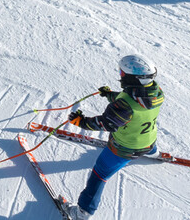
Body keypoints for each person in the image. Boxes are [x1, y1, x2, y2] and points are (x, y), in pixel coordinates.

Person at [63, 55, 163, 219]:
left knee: (100, 174)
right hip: (148, 140)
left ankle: (82, 213)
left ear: (132, 78)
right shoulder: (156, 93)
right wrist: (110, 95)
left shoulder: (125, 105)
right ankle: (154, 153)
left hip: (124, 148)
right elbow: (133, 98)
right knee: (148, 145)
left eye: (123, 74)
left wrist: (80, 121)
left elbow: (105, 124)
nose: (121, 76)